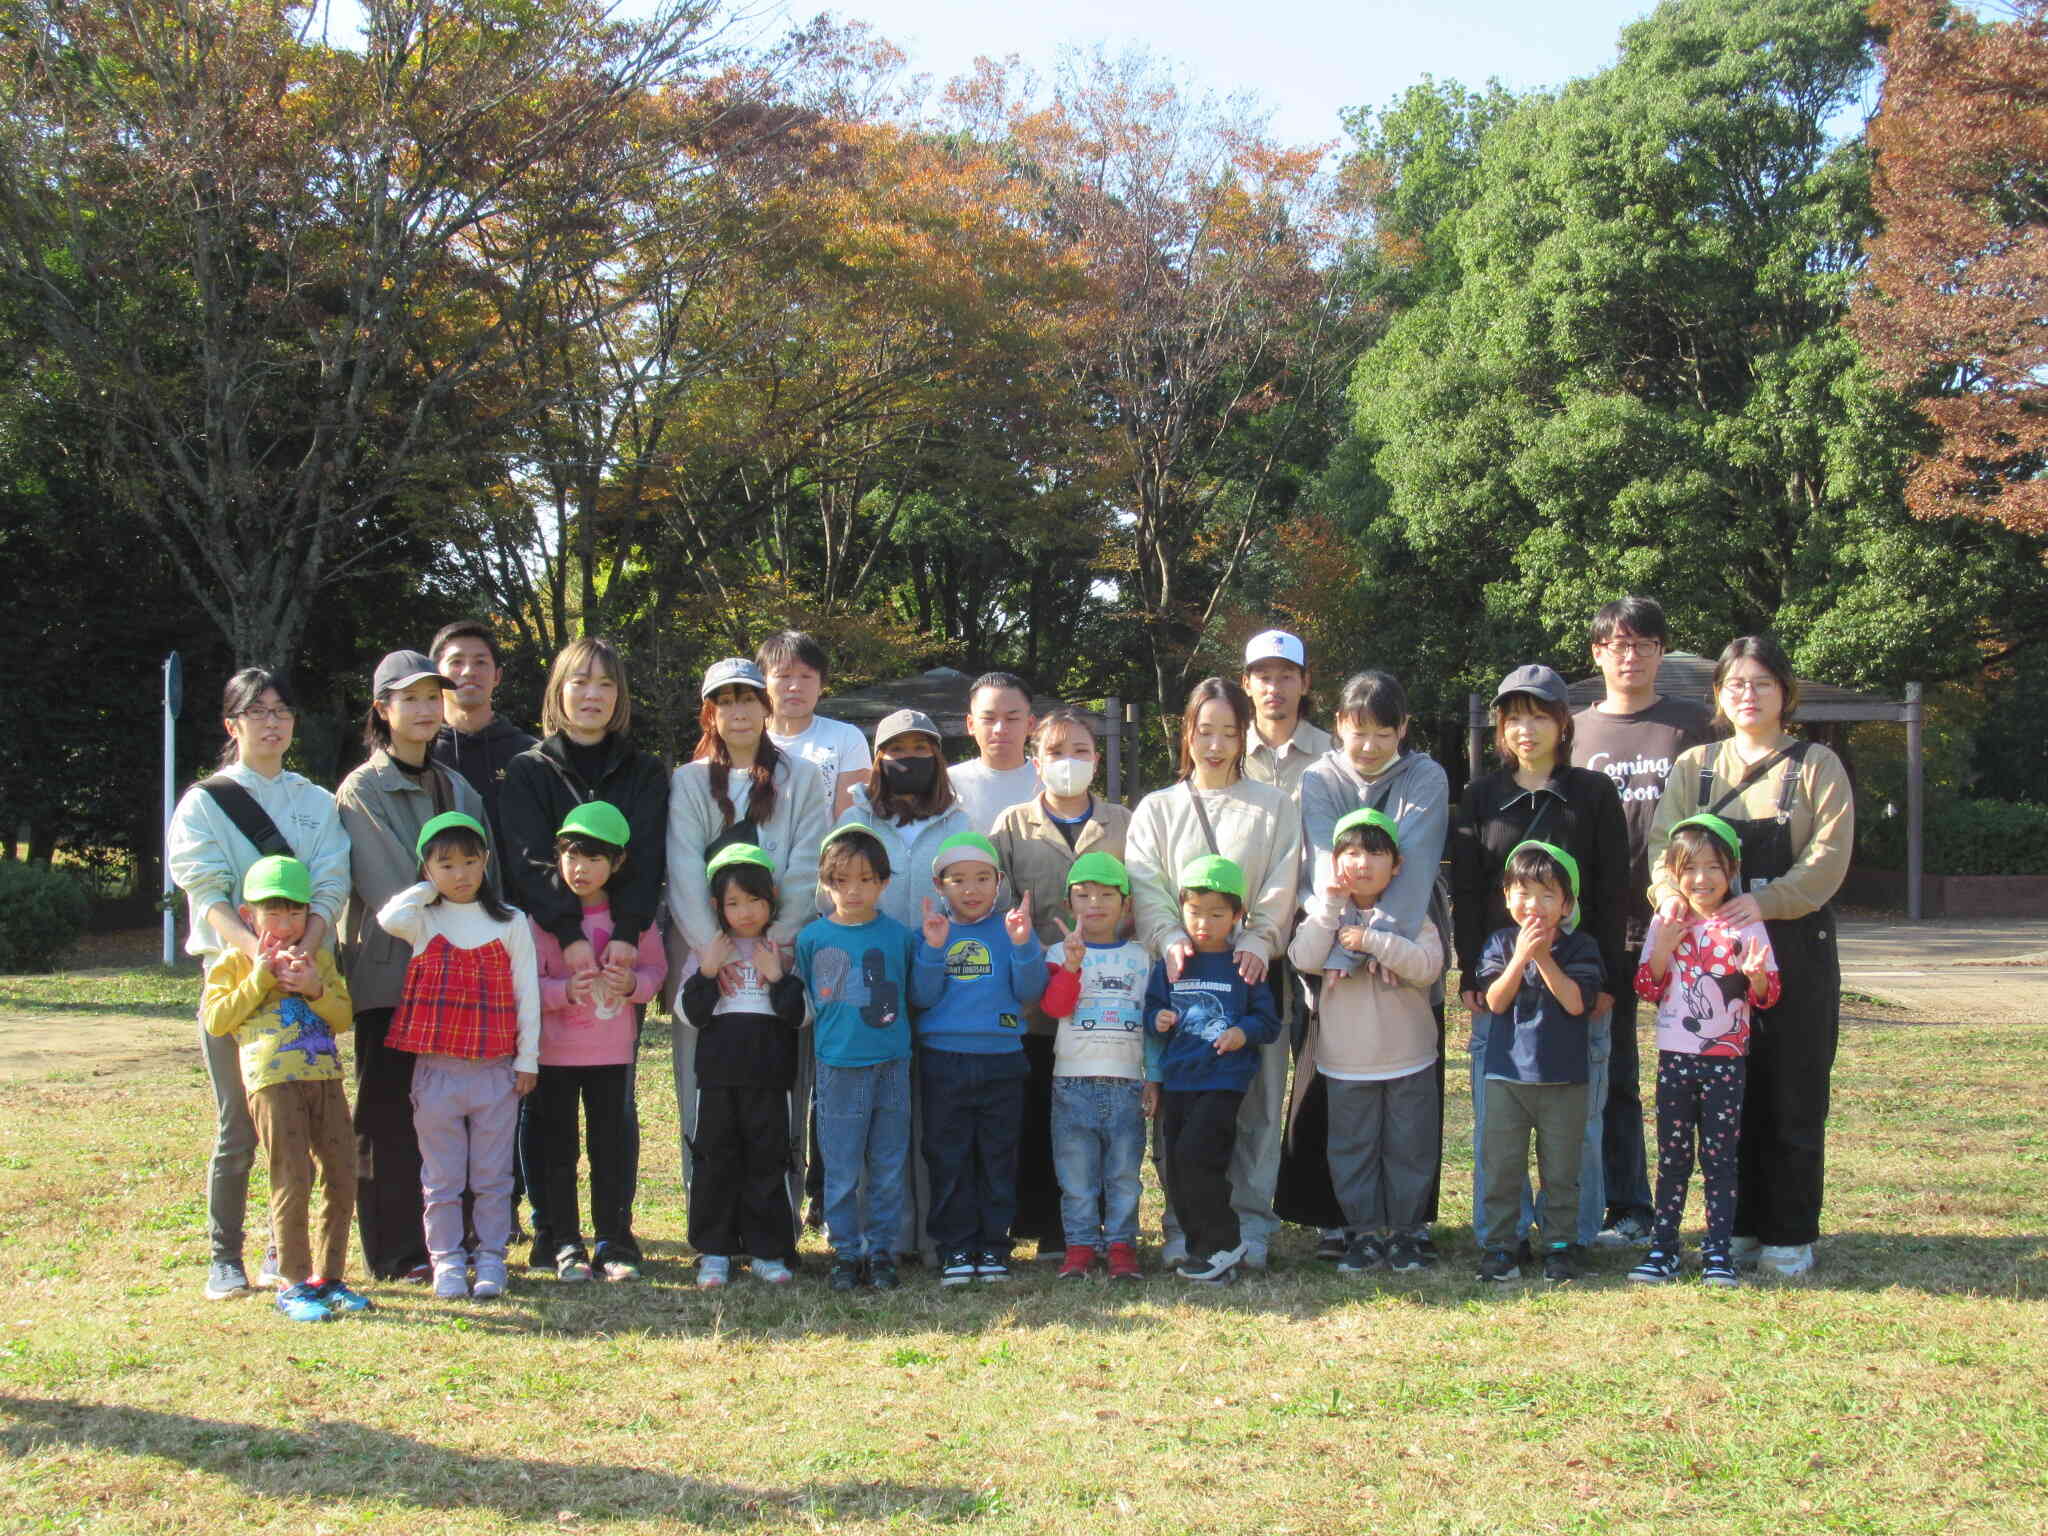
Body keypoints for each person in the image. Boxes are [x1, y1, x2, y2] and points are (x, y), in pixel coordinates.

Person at [1646, 635, 1853, 1278]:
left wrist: (1766, 903)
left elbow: (1828, 858)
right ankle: (1731, 1227)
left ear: (1785, 693)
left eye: (1762, 683)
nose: (1749, 695)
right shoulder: (1696, 766)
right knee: (1723, 1100)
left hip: (1793, 946)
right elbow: (1662, 847)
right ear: (1719, 694)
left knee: (1792, 1090)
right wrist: (1669, 895)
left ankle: (1788, 1232)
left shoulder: (1817, 764)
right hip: (1708, 962)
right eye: (1736, 684)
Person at [168, 667, 350, 1301]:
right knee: (238, 1125)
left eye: (282, 711)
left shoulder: (315, 802)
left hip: (306, 980)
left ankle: (284, 1250)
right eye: (257, 712)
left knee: (304, 1121)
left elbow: (332, 882)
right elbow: (205, 890)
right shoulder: (204, 803)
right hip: (236, 979)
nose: (272, 723)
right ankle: (225, 1257)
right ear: (232, 724)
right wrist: (259, 958)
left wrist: (306, 951)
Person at [498, 637, 669, 1267]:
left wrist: (627, 931)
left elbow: (646, 858)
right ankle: (554, 1233)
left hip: (619, 955)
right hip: (550, 949)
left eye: (605, 684)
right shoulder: (528, 770)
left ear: (620, 696)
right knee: (546, 1114)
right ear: (558, 691)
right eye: (579, 682)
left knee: (613, 1114)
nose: (592, 695)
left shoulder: (644, 771)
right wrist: (569, 935)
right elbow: (526, 861)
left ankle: (614, 1234)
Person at [1452, 664, 1628, 1257]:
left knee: (1577, 1120)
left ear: (1562, 724)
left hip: (1576, 978)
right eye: (1513, 718)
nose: (1525, 730)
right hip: (1502, 978)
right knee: (1499, 1120)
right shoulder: (1481, 796)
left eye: (1538, 717)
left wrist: (1610, 979)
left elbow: (1613, 890)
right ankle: (1502, 1235)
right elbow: (1469, 891)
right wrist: (1470, 971)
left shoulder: (1593, 793)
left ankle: (1571, 1235)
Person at [1125, 678, 1301, 1269]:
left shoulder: (1274, 805)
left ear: (1245, 735)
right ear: (1187, 733)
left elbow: (1280, 882)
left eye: (1230, 732)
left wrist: (1259, 938)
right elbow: (1146, 882)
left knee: (1255, 1104)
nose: (1217, 745)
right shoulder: (1158, 808)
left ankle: (1250, 1223)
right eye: (1205, 732)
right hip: (1181, 981)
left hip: (1249, 976)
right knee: (1181, 1107)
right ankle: (1185, 1225)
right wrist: (1168, 935)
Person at [335, 649, 491, 1284]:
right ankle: (397, 1252)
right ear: (383, 709)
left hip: (464, 981)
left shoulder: (460, 788)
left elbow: (487, 878)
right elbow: (388, 891)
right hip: (392, 978)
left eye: (433, 697)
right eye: (411, 699)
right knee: (389, 1118)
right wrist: (454, 895)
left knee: (457, 1116)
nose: (426, 709)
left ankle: (458, 1241)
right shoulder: (361, 790)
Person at [1287, 669, 1451, 1262]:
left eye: (1385, 733)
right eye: (1359, 732)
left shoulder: (1425, 775)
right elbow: (1323, 864)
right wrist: (1340, 947)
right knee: (1345, 1116)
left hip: (1403, 952)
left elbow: (1416, 864)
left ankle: (1409, 1226)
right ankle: (1346, 1223)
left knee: (1410, 1118)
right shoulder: (1319, 777)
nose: (1370, 746)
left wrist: (1370, 941)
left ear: (1403, 729)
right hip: (1335, 960)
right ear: (1339, 726)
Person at [1572, 596, 1715, 1248]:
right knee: (1616, 1073)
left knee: (1704, 1070)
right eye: (1617, 644)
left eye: (1643, 644)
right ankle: (1628, 1206)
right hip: (1606, 926)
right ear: (1598, 652)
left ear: (1661, 652)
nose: (1629, 656)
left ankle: (1727, 1209)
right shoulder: (1575, 731)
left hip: (1689, 927)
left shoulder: (1693, 725)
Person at [665, 657, 828, 1212]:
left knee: (780, 1092)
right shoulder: (689, 781)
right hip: (708, 961)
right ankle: (710, 1218)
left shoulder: (801, 777)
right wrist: (714, 950)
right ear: (710, 712)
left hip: (777, 957)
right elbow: (684, 868)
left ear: (766, 707)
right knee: (702, 1090)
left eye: (748, 699)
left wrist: (770, 945)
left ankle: (777, 1219)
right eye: (726, 701)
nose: (738, 711)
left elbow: (806, 866)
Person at [989, 705, 1134, 1258]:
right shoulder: (1011, 824)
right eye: (1054, 751)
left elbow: (1141, 898)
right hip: (1037, 998)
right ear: (1035, 762)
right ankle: (1047, 1223)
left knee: (1103, 1117)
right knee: (1040, 1111)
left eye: (1079, 750)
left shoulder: (1122, 822)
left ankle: (1105, 1224)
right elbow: (997, 904)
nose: (1067, 761)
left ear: (1097, 760)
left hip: (1107, 1001)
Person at [198, 854, 368, 1323]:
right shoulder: (232, 963)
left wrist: (315, 988)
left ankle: (329, 1277)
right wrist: (259, 978)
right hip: (271, 1083)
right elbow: (216, 1020)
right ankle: (292, 1282)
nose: (287, 924)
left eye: (296, 912)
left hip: (324, 1078)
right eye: (274, 913)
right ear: (248, 916)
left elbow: (343, 1017)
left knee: (342, 1170)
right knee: (291, 1176)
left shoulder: (319, 959)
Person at [379, 812, 541, 1300]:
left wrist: (527, 1059)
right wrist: (426, 889)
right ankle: (447, 1261)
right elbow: (389, 918)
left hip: (496, 1071)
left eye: (470, 861)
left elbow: (527, 993)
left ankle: (491, 1258)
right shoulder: (423, 920)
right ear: (427, 868)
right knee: (442, 1177)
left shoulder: (510, 921)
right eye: (445, 864)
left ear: (486, 861)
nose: (460, 874)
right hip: (436, 1072)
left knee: (493, 1176)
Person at [1629, 815, 1779, 1288]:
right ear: (1674, 873)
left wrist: (1756, 976)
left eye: (1713, 867)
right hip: (1675, 1058)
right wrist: (1662, 948)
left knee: (1720, 1161)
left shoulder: (1745, 922)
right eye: (1690, 869)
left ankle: (1718, 1251)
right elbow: (1647, 988)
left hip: (1726, 1062)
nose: (1701, 879)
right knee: (1672, 1159)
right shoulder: (1667, 920)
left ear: (1731, 871)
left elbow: (1767, 996)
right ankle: (1663, 1248)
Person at [524, 802, 666, 1284]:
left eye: (593, 858)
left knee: (611, 1149)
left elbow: (656, 969)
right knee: (557, 1150)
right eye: (570, 856)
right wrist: (562, 991)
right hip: (553, 1055)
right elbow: (524, 983)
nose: (579, 868)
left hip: (612, 1054)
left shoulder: (632, 918)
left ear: (618, 862)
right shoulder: (542, 919)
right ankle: (564, 1241)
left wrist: (634, 985)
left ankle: (614, 1239)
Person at [909, 832, 1047, 1285]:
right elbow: (922, 997)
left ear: (999, 881)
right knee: (948, 1155)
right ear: (938, 885)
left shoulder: (1011, 930)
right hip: (944, 1060)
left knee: (997, 1155)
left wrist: (1024, 944)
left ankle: (993, 1245)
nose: (971, 889)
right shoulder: (931, 931)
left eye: (983, 878)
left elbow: (1031, 991)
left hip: (1002, 1058)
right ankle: (955, 1247)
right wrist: (933, 949)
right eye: (958, 880)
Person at [1144, 855, 1283, 1285]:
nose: (1203, 923)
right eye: (1195, 911)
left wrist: (1242, 1032)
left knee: (1199, 1157)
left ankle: (1223, 1242)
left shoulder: (1244, 965)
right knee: (1176, 1165)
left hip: (1223, 1080)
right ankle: (1200, 1247)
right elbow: (1151, 1009)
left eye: (1217, 914)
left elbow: (1268, 1022)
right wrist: (1158, 1019)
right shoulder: (1172, 961)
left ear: (1238, 915)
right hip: (1179, 1079)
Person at [1471, 841, 1606, 1284]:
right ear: (1506, 896)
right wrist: (1520, 957)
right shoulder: (1498, 943)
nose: (1534, 906)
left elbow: (1575, 1003)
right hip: (1505, 1077)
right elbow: (1495, 1001)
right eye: (1524, 893)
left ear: (1567, 904)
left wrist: (1543, 956)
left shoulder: (1581, 947)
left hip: (1564, 1080)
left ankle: (1560, 1246)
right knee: (1501, 1167)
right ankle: (1501, 1246)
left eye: (1548, 896)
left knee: (1562, 1171)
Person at [797, 825, 918, 1292]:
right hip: (837, 1066)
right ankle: (845, 1251)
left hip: (892, 1064)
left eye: (866, 880)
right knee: (842, 1166)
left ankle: (882, 1250)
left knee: (888, 1164)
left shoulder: (900, 937)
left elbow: (914, 993)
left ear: (884, 882)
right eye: (842, 880)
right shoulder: (812, 937)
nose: (853, 890)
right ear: (826, 882)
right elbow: (807, 1001)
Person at [682, 843, 806, 1288]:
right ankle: (714, 1252)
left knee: (768, 1162)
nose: (745, 912)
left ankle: (768, 1250)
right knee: (714, 1162)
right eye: (733, 903)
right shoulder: (708, 950)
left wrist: (777, 976)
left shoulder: (783, 949)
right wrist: (707, 972)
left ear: (772, 899)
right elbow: (690, 1014)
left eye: (754, 900)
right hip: (717, 1081)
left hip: (770, 1080)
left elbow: (800, 1015)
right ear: (717, 906)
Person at [1039, 851, 1154, 1281]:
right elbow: (1055, 1007)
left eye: (1107, 895)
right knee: (1076, 1177)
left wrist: (1153, 1078)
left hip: (1127, 1081)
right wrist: (1071, 965)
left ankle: (1122, 1247)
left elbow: (1152, 1022)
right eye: (1084, 895)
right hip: (1072, 1083)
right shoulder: (1059, 951)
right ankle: (1080, 1248)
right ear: (1068, 904)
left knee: (1124, 1175)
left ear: (1127, 904)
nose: (1095, 904)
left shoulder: (1143, 957)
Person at [430, 619, 538, 856]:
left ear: (497, 676)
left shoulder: (530, 754)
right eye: (456, 662)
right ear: (436, 674)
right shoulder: (423, 756)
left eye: (480, 662)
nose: (469, 671)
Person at [759, 629, 872, 819]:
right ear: (763, 683)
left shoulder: (846, 738)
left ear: (821, 685)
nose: (795, 686)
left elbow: (849, 822)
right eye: (784, 676)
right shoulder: (743, 739)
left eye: (806, 676)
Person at [1240, 629, 1333, 796]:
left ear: (1304, 683)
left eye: (1286, 677)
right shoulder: (1230, 750)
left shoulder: (1332, 752)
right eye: (1264, 677)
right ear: (1247, 684)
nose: (1274, 689)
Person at [948, 672, 1041, 834]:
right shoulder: (948, 783)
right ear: (971, 724)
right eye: (988, 719)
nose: (1000, 729)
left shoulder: (1050, 779)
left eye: (1012, 719)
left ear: (1030, 724)